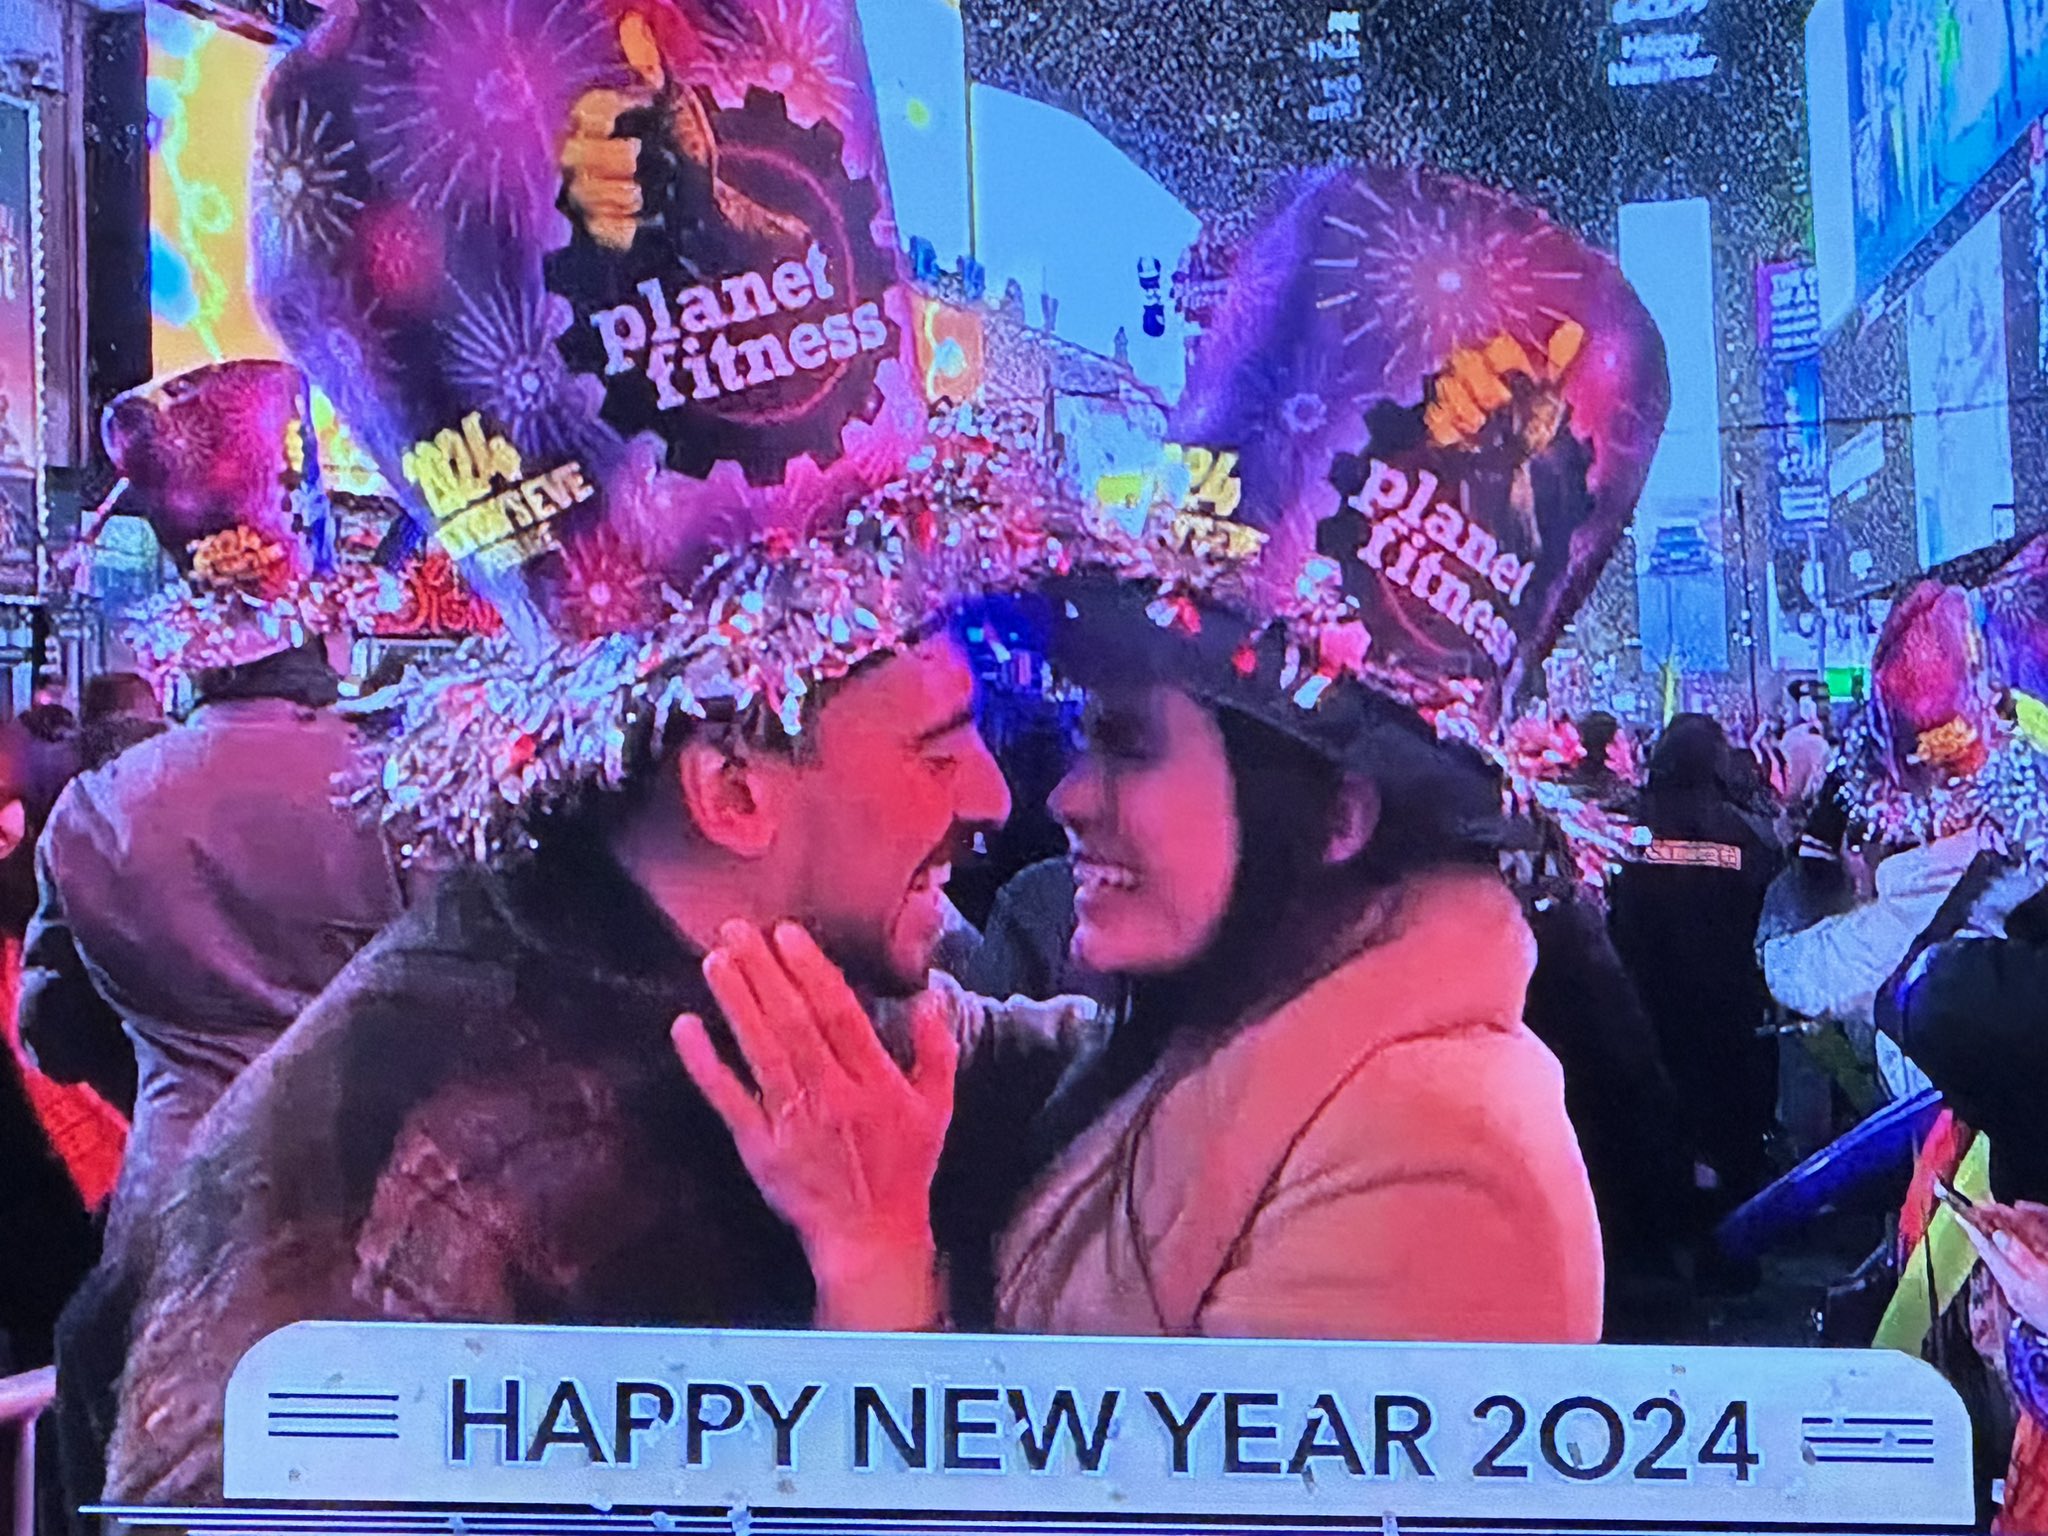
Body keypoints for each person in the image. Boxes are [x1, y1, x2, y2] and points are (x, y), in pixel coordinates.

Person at [102, 509, 1046, 1503]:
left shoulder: (774, 993)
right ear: (731, 793)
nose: (993, 797)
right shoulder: (391, 1192)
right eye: (937, 753)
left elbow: (1032, 1053)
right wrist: (876, 1301)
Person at [676, 571, 1605, 1343]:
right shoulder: (1229, 1037)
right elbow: (979, 1047)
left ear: (1336, 818)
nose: (1065, 799)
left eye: (1129, 746)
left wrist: (877, 1271)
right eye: (1083, 742)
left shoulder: (1439, 1161)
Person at [32, 360, 405, 1527]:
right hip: (366, 1214)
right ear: (315, 632)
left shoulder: (99, 806)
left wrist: (169, 1055)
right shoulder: (395, 787)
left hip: (167, 1220)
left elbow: (48, 1022)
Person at [1607, 714, 1782, 1267]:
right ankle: (1730, 1249)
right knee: (1728, 1123)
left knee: (1661, 1118)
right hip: (1725, 1004)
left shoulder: (1631, 828)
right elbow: (1766, 888)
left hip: (1647, 1001)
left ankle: (1660, 1241)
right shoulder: (1740, 832)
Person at [77, 671, 165, 771]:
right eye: (145, 701)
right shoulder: (156, 751)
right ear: (120, 712)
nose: (156, 706)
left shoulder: (72, 751)